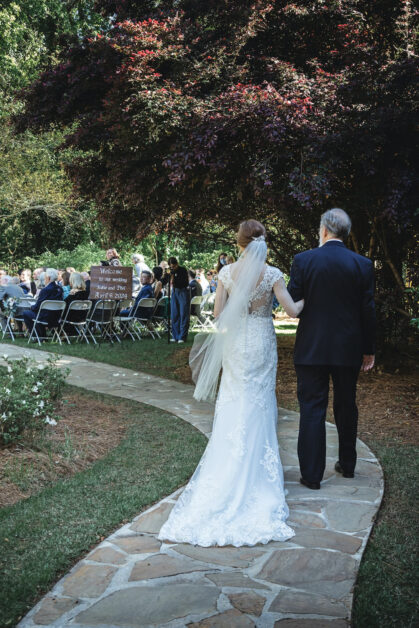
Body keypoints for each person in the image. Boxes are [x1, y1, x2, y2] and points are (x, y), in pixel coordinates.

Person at [158, 220, 304, 547]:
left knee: (234, 400)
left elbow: (220, 315)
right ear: (262, 243)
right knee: (260, 402)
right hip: (262, 344)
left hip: (237, 345)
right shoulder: (273, 274)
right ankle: (258, 478)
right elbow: (293, 311)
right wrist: (312, 300)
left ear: (238, 243)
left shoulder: (225, 273)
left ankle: (227, 467)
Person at [288, 208, 376, 490]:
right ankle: (347, 465)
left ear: (324, 230)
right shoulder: (362, 264)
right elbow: (368, 311)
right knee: (346, 404)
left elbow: (293, 303)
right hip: (347, 348)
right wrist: (369, 349)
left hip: (312, 348)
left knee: (312, 408)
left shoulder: (303, 260)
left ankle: (312, 476)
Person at [23, 268, 63, 340]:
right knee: (36, 313)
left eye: (45, 277)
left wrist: (31, 307)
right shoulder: (59, 288)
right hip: (56, 317)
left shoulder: (45, 290)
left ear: (48, 278)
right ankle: (42, 335)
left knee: (26, 313)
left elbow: (38, 306)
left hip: (45, 317)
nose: (44, 279)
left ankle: (36, 336)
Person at [168, 257, 190, 343]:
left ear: (176, 264)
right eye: (171, 267)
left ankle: (182, 336)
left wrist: (174, 277)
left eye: (174, 266)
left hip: (183, 291)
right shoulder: (171, 271)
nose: (172, 268)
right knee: (174, 314)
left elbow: (184, 282)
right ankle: (175, 335)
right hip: (174, 291)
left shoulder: (182, 270)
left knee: (183, 314)